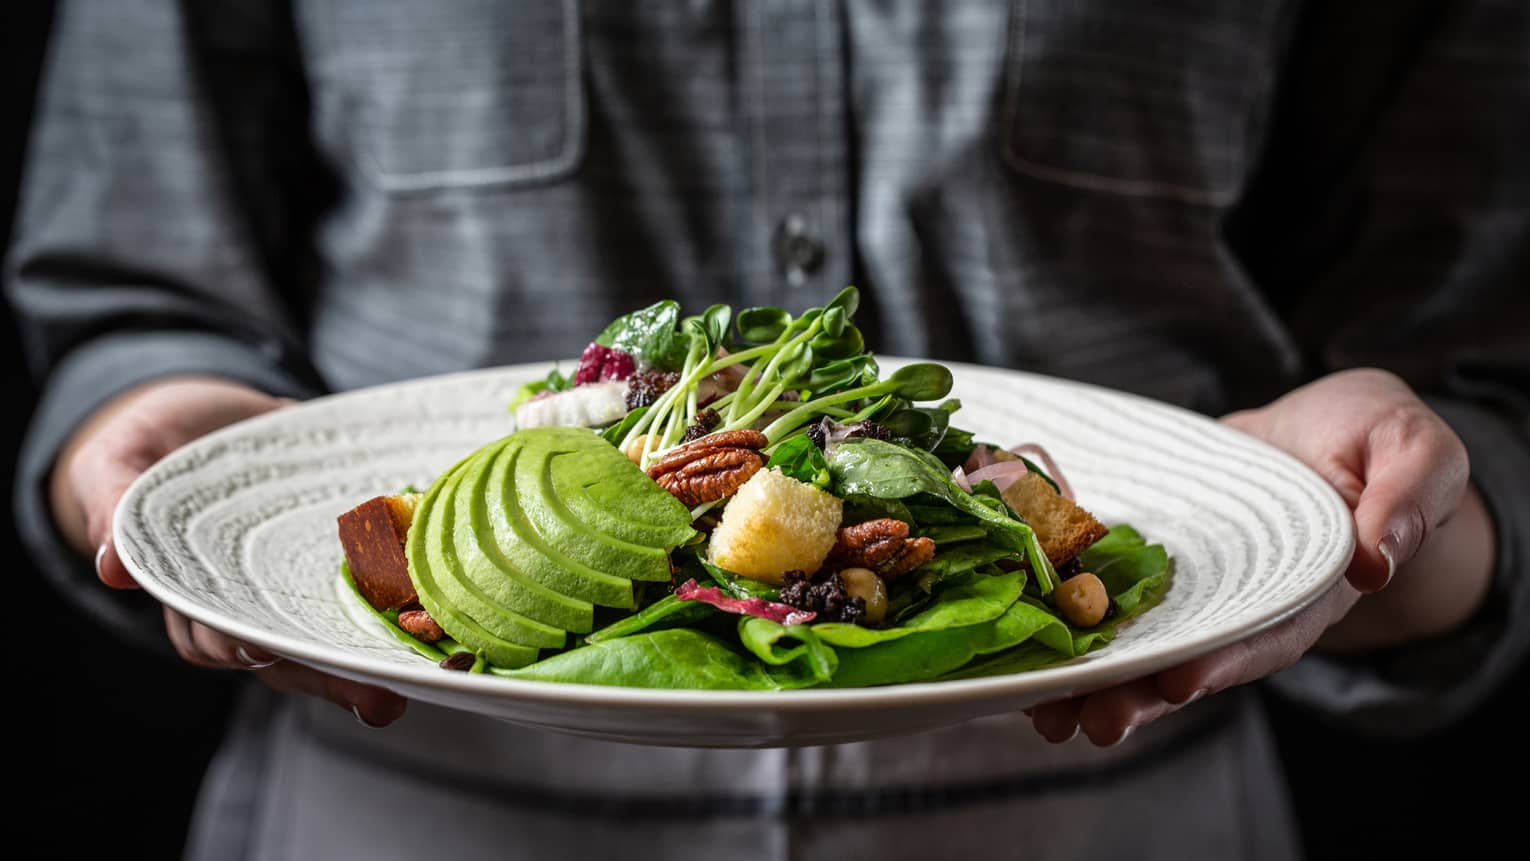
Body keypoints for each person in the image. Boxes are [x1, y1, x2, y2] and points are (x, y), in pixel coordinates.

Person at [7, 2, 1525, 858]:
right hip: (412, 812)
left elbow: (1471, 382)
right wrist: (160, 442)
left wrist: (1363, 518)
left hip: (1114, 816)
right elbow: (135, 291)